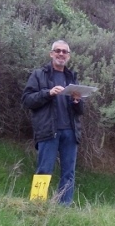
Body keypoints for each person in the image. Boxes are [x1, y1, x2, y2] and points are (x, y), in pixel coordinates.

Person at [21, 40, 84, 205]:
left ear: (68, 56)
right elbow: (27, 100)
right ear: (51, 54)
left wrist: (77, 101)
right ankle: (37, 204)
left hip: (70, 132)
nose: (61, 54)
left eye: (64, 52)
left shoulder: (72, 77)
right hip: (48, 130)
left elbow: (80, 110)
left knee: (68, 173)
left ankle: (64, 207)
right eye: (58, 50)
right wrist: (48, 93)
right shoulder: (38, 75)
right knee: (44, 170)